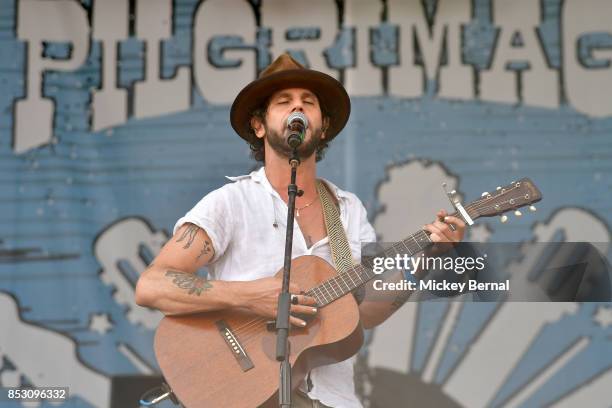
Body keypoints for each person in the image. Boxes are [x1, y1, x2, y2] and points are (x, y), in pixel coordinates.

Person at [135, 53, 466, 408]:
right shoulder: (230, 202)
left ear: (322, 127)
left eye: (308, 102)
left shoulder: (347, 209)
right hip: (248, 396)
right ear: (259, 125)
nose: (298, 109)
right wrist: (249, 297)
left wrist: (422, 268)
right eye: (284, 102)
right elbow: (152, 286)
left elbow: (365, 313)